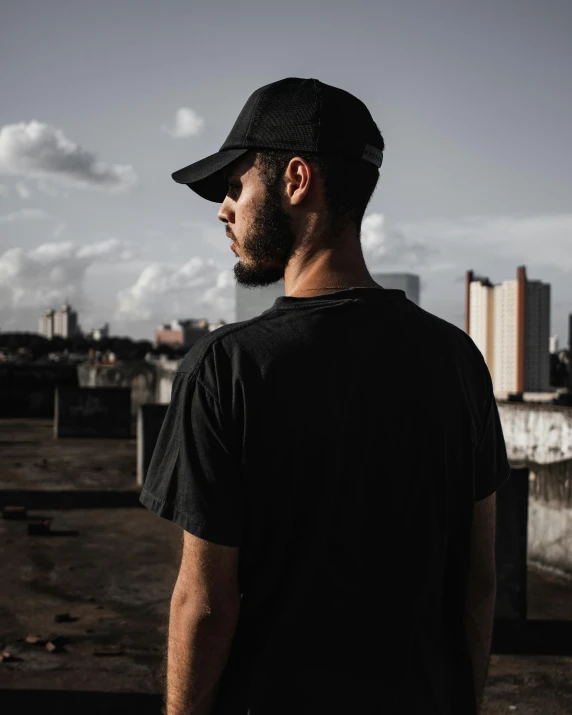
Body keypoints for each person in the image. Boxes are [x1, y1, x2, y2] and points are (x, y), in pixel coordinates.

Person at [140, 77, 511, 715]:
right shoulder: (459, 361)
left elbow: (204, 605)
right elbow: (477, 587)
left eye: (234, 187)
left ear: (295, 179)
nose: (222, 210)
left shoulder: (226, 368)